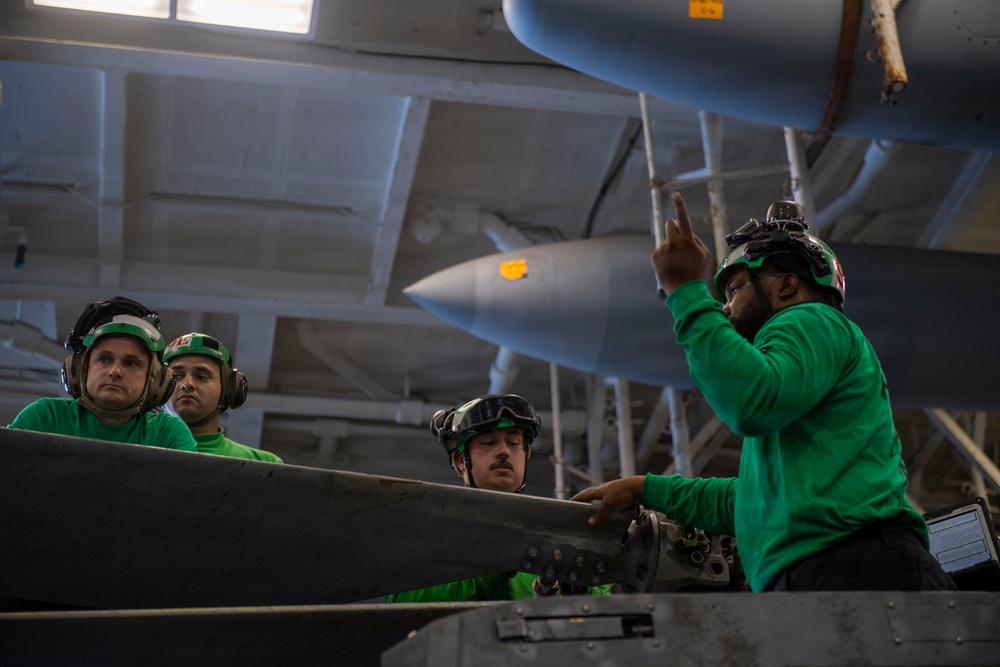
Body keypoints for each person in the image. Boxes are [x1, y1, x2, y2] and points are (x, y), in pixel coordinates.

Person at [572, 193, 955, 593]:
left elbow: (749, 401)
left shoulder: (810, 318)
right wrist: (643, 488)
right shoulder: (803, 384)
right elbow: (752, 500)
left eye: (734, 289)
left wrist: (685, 289)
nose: (726, 308)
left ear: (786, 285)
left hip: (853, 565)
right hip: (847, 567)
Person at [385, 393, 611, 602]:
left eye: (513, 443)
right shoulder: (429, 532)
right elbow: (402, 600)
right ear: (462, 460)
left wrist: (580, 588)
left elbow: (606, 609)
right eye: (488, 442)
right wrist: (495, 566)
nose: (503, 451)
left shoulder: (554, 538)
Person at [8, 296, 197, 452]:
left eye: (131, 363)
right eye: (104, 359)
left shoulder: (166, 433)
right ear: (81, 369)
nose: (115, 371)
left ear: (155, 379)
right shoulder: (45, 418)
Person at [163, 332, 283, 463]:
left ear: (229, 389)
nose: (187, 384)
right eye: (176, 376)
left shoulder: (264, 463)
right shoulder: (142, 446)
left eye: (201, 377)